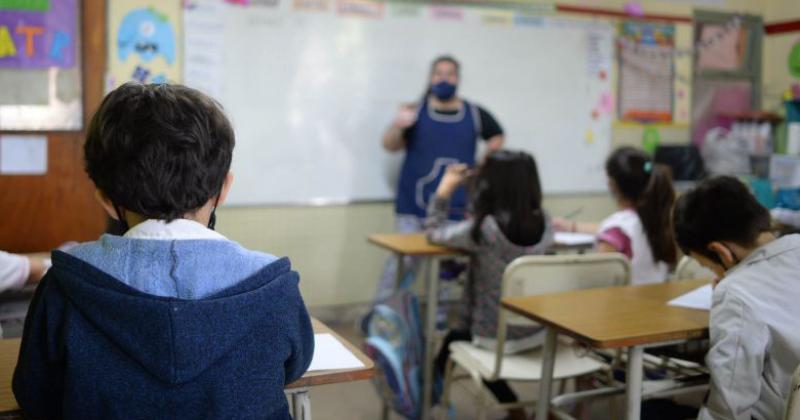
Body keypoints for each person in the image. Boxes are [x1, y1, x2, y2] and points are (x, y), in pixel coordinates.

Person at [13, 83, 314, 420]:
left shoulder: (63, 287)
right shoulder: (275, 286)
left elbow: (34, 393)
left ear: (105, 199)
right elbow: (293, 367)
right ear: (224, 188)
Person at [427, 150, 553, 420]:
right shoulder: (546, 222)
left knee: (452, 340)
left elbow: (434, 232)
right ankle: (524, 410)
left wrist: (443, 191)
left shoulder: (485, 228)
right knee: (460, 336)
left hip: (494, 337)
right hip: (537, 330)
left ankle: (424, 400)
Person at [376, 55, 505, 301]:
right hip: (413, 206)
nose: (443, 78)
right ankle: (383, 320)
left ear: (458, 78)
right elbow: (389, 145)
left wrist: (481, 165)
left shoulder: (475, 113)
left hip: (455, 209)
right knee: (401, 267)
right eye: (438, 73)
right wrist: (397, 126)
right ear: (431, 78)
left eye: (450, 74)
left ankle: (439, 324)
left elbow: (497, 136)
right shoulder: (414, 112)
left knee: (447, 273)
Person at [673, 176, 800, 420]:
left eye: (709, 266)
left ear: (721, 251)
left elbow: (729, 408)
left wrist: (731, 286)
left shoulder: (735, 296)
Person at [557, 147, 677, 284]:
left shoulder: (617, 230)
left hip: (624, 302)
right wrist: (571, 226)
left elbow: (597, 281)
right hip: (653, 299)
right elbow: (607, 228)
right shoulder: (655, 219)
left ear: (612, 184)